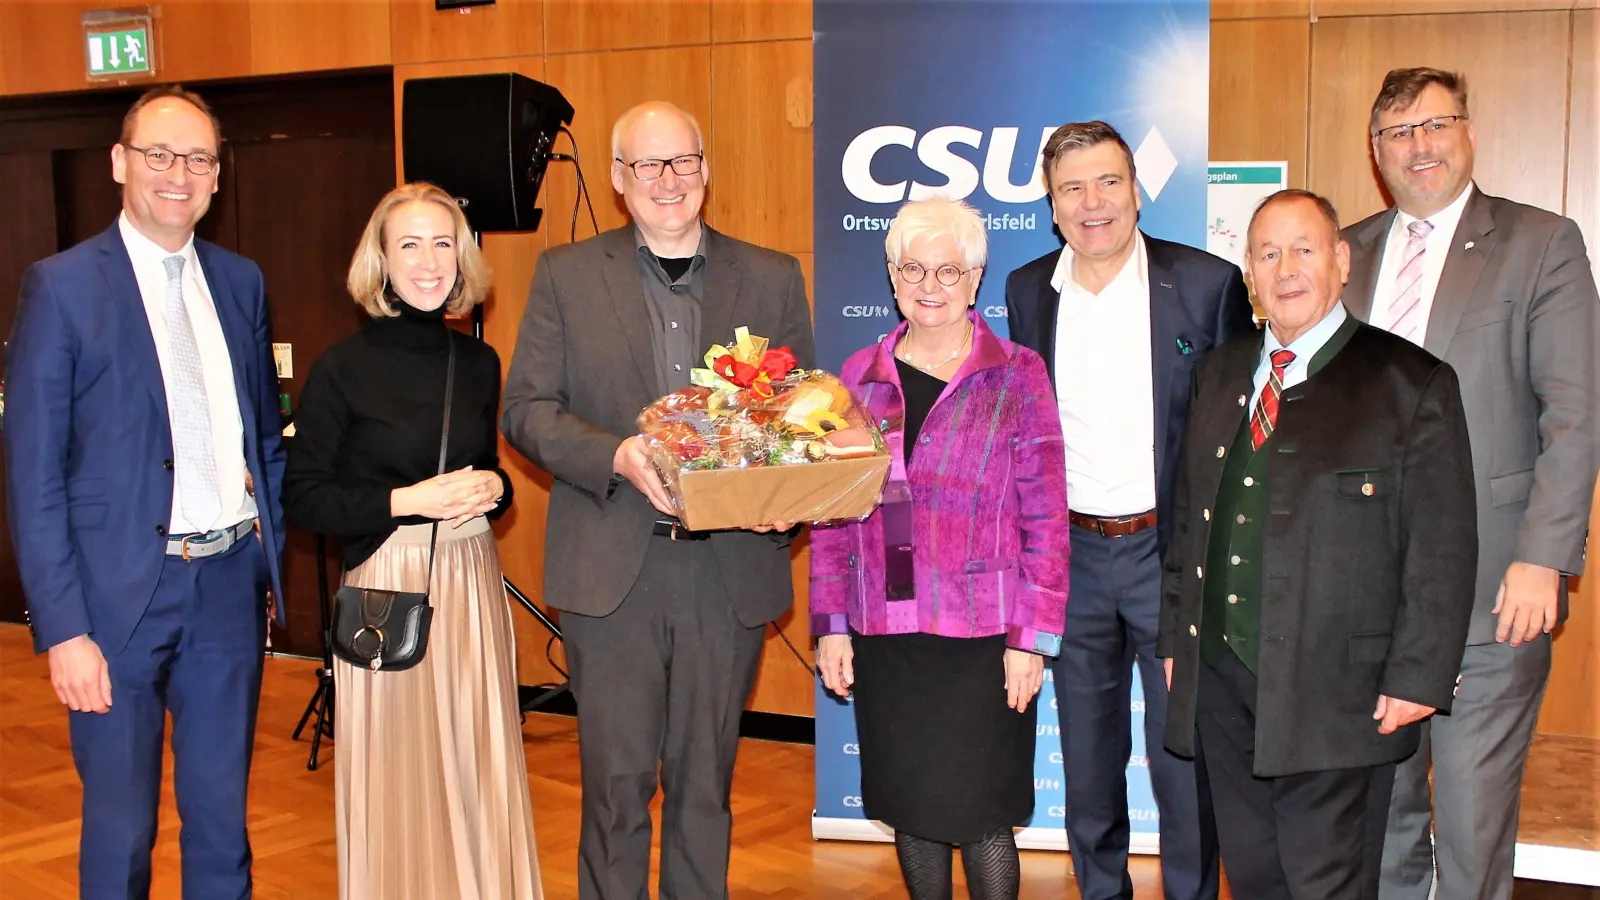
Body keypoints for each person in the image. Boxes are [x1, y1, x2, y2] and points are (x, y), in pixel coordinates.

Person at [499, 100, 814, 900]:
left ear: (705, 170)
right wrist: (616, 454)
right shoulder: (565, 276)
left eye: (681, 163)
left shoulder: (773, 276)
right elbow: (526, 411)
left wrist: (790, 495)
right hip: (613, 573)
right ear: (617, 179)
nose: (667, 181)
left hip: (729, 571)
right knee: (615, 789)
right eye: (647, 165)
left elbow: (803, 419)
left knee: (704, 790)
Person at [4, 85, 287, 899]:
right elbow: (34, 474)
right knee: (121, 834)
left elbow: (262, 439)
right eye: (159, 154)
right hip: (115, 604)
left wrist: (263, 565)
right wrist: (63, 631)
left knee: (221, 828)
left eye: (198, 159)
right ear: (121, 163)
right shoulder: (60, 287)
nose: (179, 173)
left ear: (217, 178)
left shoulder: (240, 282)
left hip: (228, 588)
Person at [1158, 188, 1478, 899]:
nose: (1286, 267)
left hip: (1341, 693)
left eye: (1304, 248)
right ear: (1249, 273)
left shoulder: (1409, 383)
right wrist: (1177, 643)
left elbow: (1442, 548)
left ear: (1340, 261)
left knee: (1326, 882)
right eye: (1267, 253)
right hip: (1222, 679)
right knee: (1257, 875)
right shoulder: (1218, 373)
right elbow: (1187, 523)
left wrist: (1417, 675)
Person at [1339, 68, 1600, 900]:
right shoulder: (1348, 253)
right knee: (1383, 817)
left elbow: (1576, 414)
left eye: (1434, 124)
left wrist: (1546, 557)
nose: (1418, 147)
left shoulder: (1541, 243)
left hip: (1496, 588)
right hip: (1370, 595)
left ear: (1468, 132)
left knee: (1476, 823)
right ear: (1376, 152)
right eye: (1397, 133)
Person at [1004, 120, 1253, 900]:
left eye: (1108, 181)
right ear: (1051, 207)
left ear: (1138, 191)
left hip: (1169, 557)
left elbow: (1237, 436)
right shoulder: (1024, 290)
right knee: (1087, 756)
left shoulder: (1208, 286)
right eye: (1071, 188)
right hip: (1070, 558)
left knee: (1185, 756)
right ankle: (1101, 890)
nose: (1093, 202)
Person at [281, 183, 541, 900]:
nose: (428, 262)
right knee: (399, 766)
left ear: (462, 258)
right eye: (410, 245)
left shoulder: (478, 363)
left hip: (471, 574)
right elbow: (303, 497)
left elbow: (485, 470)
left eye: (442, 243)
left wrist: (498, 490)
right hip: (386, 586)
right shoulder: (341, 367)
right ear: (381, 262)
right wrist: (405, 501)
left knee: (475, 756)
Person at [810, 197, 1068, 900]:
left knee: (983, 818)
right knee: (912, 811)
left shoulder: (1017, 373)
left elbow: (1046, 518)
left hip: (984, 635)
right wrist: (831, 626)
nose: (930, 284)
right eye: (913, 267)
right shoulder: (858, 374)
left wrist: (1031, 640)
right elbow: (833, 512)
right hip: (887, 631)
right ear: (892, 276)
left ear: (976, 277)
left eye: (948, 268)